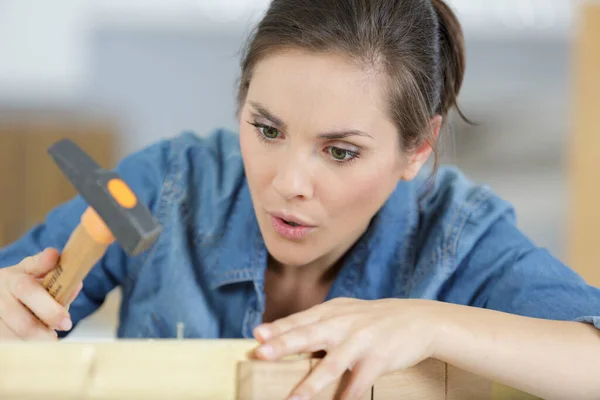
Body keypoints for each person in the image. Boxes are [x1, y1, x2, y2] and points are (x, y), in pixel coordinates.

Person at [1, 0, 599, 398]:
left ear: (418, 149)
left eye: (340, 151)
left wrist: (430, 323)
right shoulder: (168, 183)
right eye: (267, 130)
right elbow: (14, 305)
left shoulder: (457, 232)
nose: (288, 182)